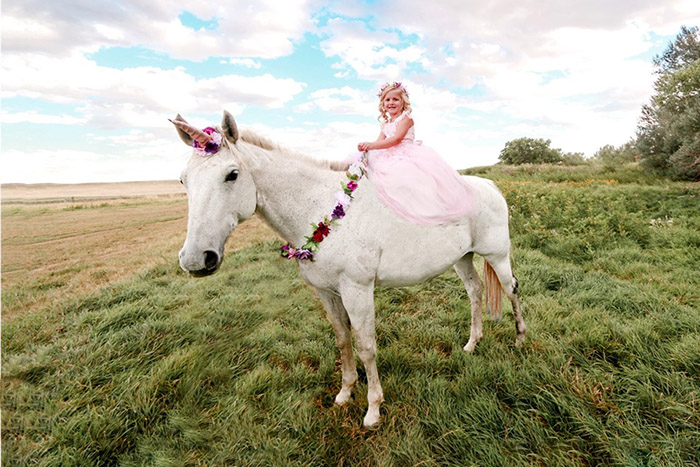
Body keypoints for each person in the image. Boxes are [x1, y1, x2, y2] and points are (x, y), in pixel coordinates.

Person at [354, 82, 474, 226]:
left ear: (403, 102)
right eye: (387, 100)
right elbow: (380, 142)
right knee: (370, 170)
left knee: (403, 178)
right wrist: (368, 148)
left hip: (405, 153)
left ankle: (418, 212)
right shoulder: (386, 123)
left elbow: (396, 139)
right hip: (388, 154)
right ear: (383, 103)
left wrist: (372, 145)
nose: (391, 103)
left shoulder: (406, 119)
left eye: (395, 99)